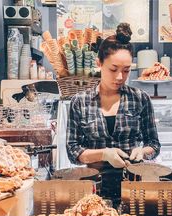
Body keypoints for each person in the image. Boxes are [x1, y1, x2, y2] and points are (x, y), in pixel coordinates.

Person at [66, 23, 160, 205]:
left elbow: (154, 144)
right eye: (113, 69)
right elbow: (73, 151)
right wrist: (103, 154)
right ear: (99, 63)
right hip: (93, 190)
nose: (119, 77)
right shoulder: (80, 101)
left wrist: (143, 151)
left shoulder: (140, 99)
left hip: (134, 188)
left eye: (126, 71)